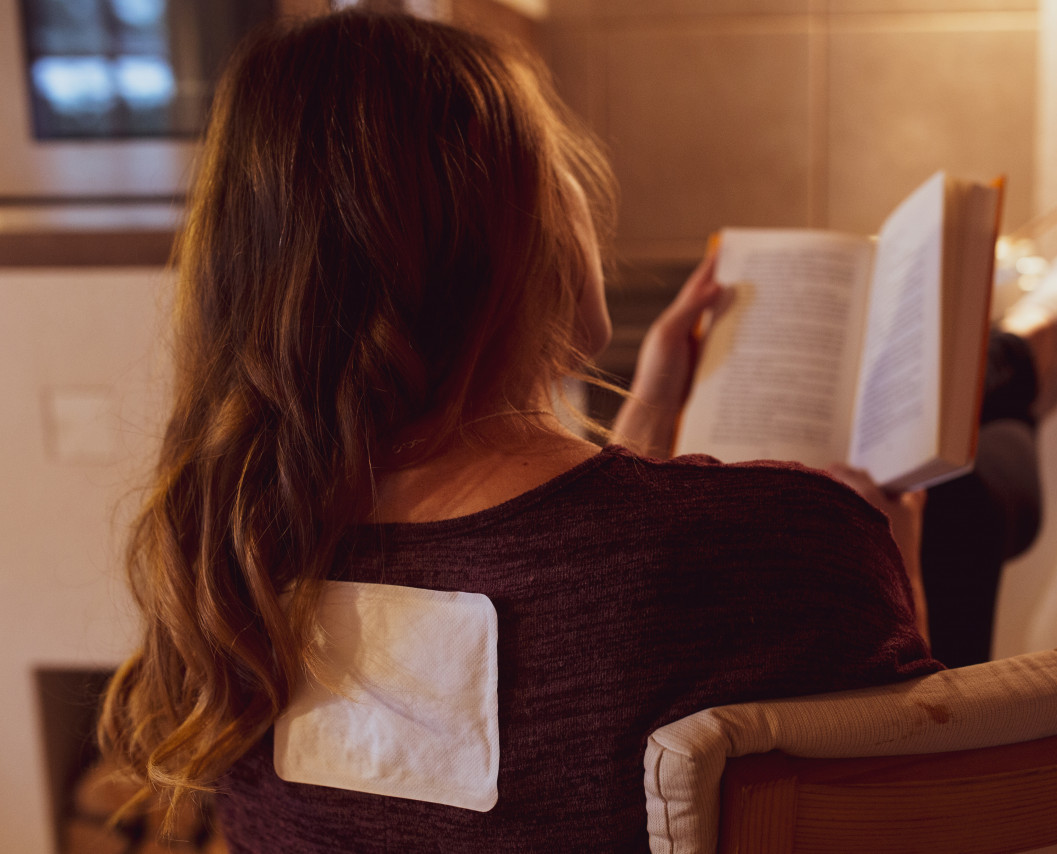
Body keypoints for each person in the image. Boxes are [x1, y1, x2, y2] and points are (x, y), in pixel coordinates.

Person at [97, 11, 939, 852]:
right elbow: (923, 820)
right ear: (512, 228)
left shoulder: (228, 571)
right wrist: (894, 570)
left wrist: (640, 436)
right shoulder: (792, 545)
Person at [617, 239, 1057, 668]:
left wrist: (649, 411)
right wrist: (894, 557)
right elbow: (925, 729)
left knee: (955, 458)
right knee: (957, 493)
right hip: (894, 767)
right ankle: (1025, 347)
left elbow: (610, 552)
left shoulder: (563, 525)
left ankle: (1027, 356)